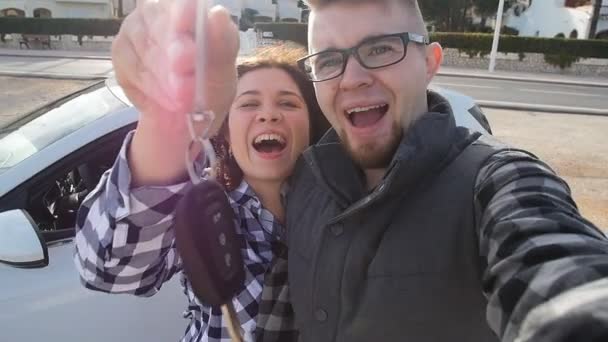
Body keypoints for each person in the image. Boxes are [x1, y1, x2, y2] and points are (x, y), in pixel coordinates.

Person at [281, 0, 608, 342]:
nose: (351, 79)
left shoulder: (495, 180)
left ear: (429, 63)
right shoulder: (305, 179)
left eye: (379, 49)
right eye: (329, 60)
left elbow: (556, 262)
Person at [73, 4, 326, 341]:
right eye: (249, 103)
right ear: (225, 134)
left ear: (312, 127)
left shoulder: (343, 208)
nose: (269, 114)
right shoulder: (205, 209)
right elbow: (108, 269)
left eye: (288, 103)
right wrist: (171, 126)